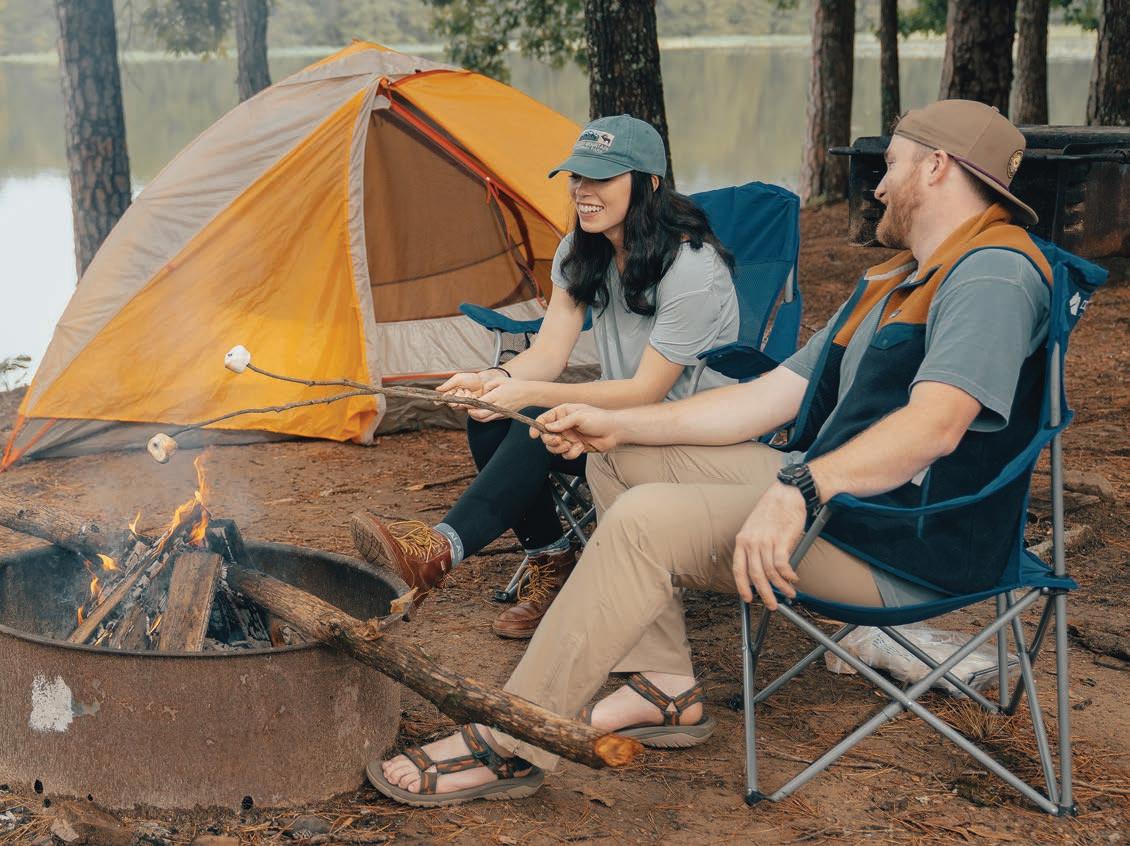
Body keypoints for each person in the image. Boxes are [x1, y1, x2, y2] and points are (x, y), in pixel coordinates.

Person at [368, 100, 1056, 808]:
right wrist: (618, 427)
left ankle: (511, 738)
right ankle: (663, 685)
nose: (877, 187)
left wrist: (800, 489)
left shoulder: (992, 276)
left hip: (905, 545)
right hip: (852, 505)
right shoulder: (898, 279)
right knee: (614, 458)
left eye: (891, 167)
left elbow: (935, 427)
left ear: (937, 167)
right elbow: (764, 399)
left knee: (644, 523)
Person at [350, 115, 740, 639]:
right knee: (493, 415)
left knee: (531, 412)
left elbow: (646, 391)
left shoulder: (691, 269)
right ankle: (550, 563)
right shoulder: (583, 249)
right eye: (578, 177)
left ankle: (440, 550)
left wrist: (525, 392)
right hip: (618, 429)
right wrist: (492, 379)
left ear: (648, 184)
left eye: (602, 178)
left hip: (691, 442)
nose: (582, 191)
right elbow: (549, 352)